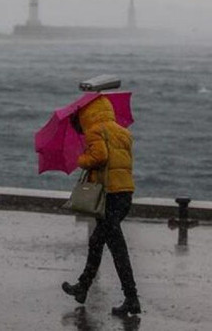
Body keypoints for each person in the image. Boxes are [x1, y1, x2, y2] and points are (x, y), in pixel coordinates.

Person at [62, 95, 141, 316]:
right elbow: (121, 161)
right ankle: (83, 287)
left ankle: (131, 298)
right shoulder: (122, 132)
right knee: (98, 241)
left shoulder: (95, 130)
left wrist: (82, 159)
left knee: (116, 248)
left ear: (86, 114)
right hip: (125, 193)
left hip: (109, 196)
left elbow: (100, 156)